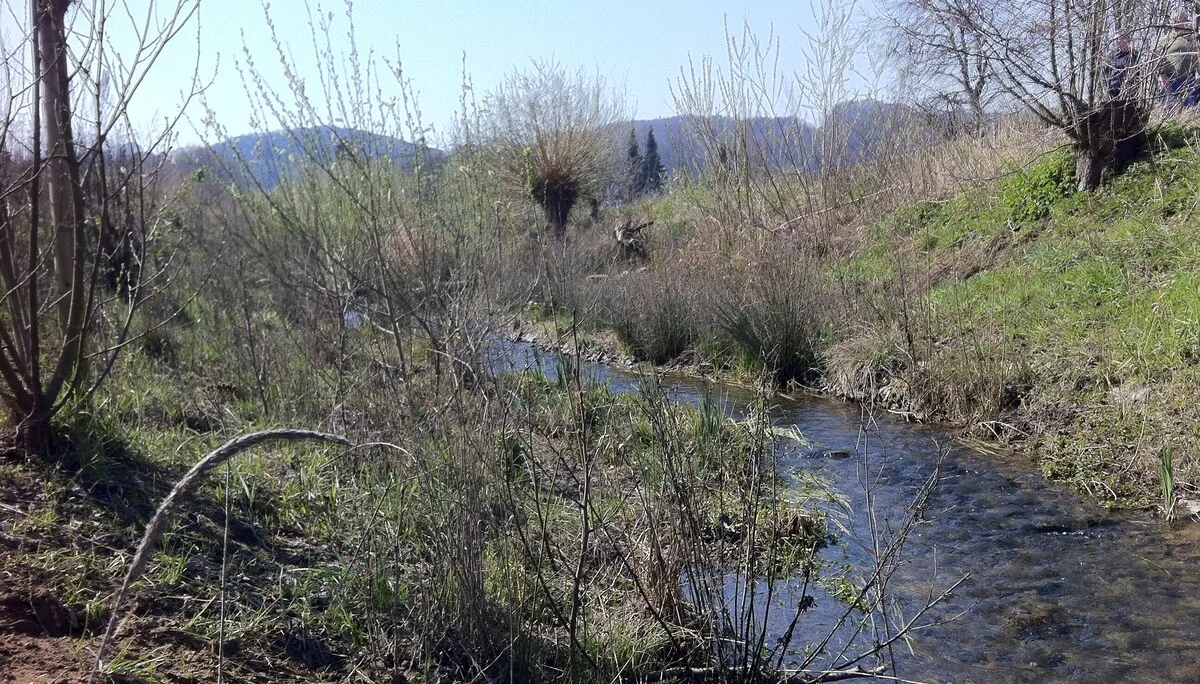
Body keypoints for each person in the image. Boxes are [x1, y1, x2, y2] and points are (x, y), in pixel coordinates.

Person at [1157, 11, 1200, 107]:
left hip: (1190, 80)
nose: (1183, 22)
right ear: (1173, 21)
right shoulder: (1165, 40)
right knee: (1173, 113)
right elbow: (1158, 62)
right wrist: (1164, 80)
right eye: (1179, 19)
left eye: (1185, 19)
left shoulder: (1191, 38)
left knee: (1190, 112)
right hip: (1172, 82)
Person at [1106, 33, 1139, 99]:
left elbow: (1138, 73)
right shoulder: (1112, 57)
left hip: (1129, 91)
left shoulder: (1134, 55)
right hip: (1113, 91)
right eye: (1115, 40)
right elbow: (1107, 74)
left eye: (1118, 39)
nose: (1116, 42)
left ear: (1126, 40)